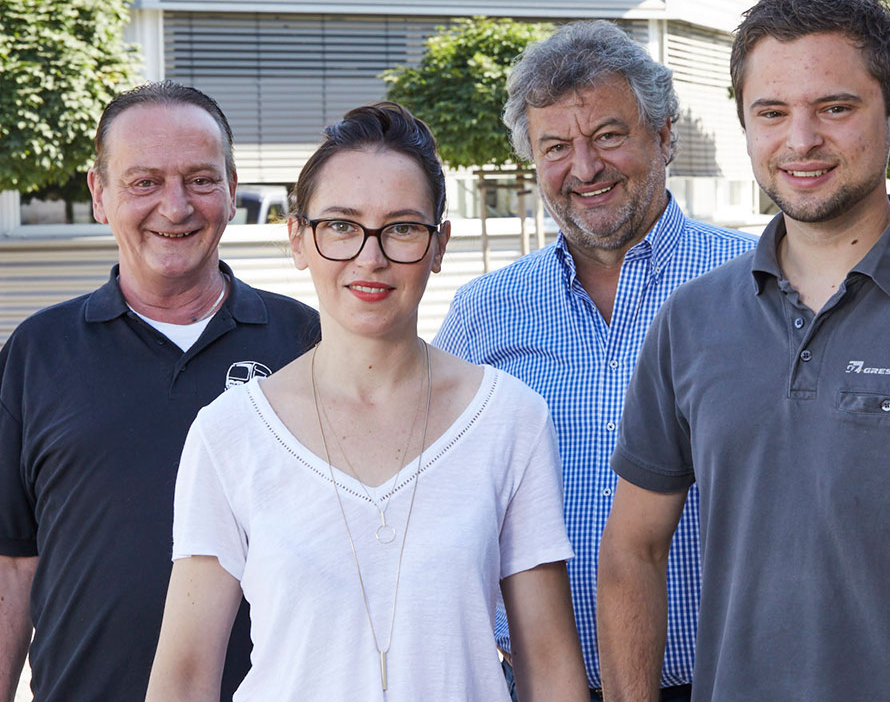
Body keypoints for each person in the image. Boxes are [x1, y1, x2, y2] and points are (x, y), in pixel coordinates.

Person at [598, 0, 890, 701]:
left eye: (836, 108)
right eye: (772, 113)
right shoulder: (690, 323)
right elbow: (634, 549)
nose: (801, 140)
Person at [145, 102, 588, 701]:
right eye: (341, 225)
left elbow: (551, 668)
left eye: (403, 227)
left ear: (438, 245)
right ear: (298, 239)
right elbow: (185, 676)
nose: (370, 256)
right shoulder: (229, 433)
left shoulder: (510, 419)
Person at [433, 20, 756, 700]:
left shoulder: (752, 281)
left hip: (726, 680)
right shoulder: (485, 312)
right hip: (536, 684)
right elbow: (437, 497)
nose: (584, 168)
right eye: (556, 146)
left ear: (664, 137)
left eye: (609, 135)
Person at [0, 81, 319, 702]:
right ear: (100, 194)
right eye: (144, 182)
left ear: (231, 188)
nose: (175, 208)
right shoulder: (36, 353)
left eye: (200, 179)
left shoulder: (305, 345)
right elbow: (11, 565)